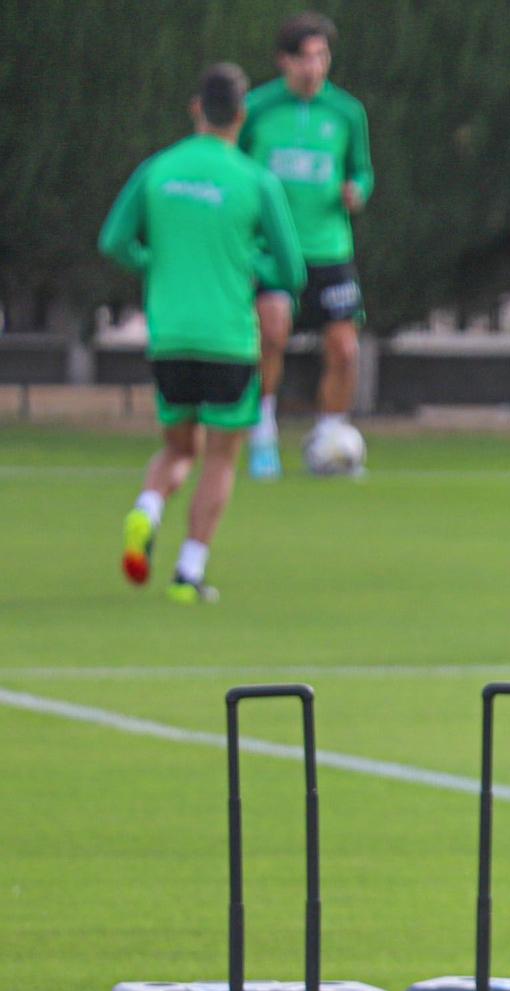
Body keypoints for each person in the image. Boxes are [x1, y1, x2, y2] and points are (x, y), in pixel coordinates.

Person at [103, 63, 305, 604]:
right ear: (241, 116)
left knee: (176, 448)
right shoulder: (256, 179)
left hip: (169, 336)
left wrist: (155, 260)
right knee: (219, 456)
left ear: (196, 109)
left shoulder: (159, 169)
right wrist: (249, 263)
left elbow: (114, 241)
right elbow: (291, 271)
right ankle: (188, 572)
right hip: (229, 339)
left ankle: (147, 508)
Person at [241, 11, 374, 479]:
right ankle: (262, 435)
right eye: (304, 58)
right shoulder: (256, 108)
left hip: (330, 250)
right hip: (272, 251)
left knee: (344, 351)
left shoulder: (346, 112)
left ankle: (329, 438)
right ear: (283, 61)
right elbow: (235, 168)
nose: (314, 67)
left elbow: (362, 170)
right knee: (272, 334)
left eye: (322, 57)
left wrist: (358, 189)